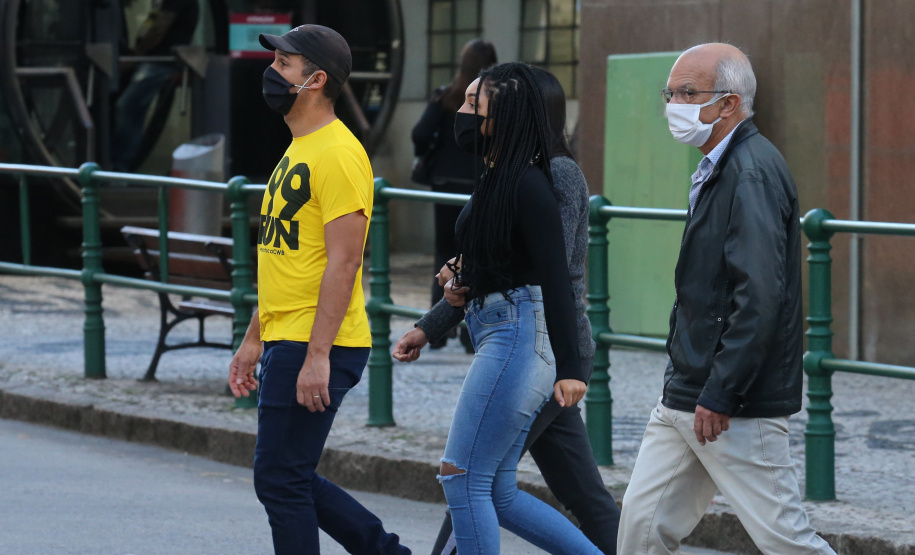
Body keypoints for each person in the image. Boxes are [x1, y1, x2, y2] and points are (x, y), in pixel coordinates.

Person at [617, 43, 836, 555]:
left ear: (730, 104)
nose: (674, 104)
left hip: (731, 401)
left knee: (787, 541)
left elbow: (759, 295)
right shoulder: (724, 164)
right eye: (670, 92)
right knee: (640, 528)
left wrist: (722, 391)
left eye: (688, 93)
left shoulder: (751, 170)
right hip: (688, 390)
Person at [394, 68, 619, 555]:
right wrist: (434, 321)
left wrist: (573, 364)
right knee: (513, 485)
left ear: (519, 109)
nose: (465, 111)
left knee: (472, 477)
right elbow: (497, 261)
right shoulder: (505, 171)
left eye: (478, 102)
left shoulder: (550, 173)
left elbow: (550, 274)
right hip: (523, 335)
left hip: (538, 340)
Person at [227, 24, 410, 555]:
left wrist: (317, 355)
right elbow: (287, 258)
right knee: (290, 477)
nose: (270, 72)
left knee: (281, 480)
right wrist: (254, 336)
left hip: (316, 341)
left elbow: (345, 260)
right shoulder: (299, 147)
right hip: (289, 336)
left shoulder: (338, 154)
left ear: (316, 80)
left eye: (284, 64)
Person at [410, 39, 497, 352]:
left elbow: (419, 133)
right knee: (478, 254)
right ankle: (471, 331)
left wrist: (428, 154)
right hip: (479, 182)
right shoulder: (494, 97)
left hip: (446, 182)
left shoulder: (446, 96)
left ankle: (439, 327)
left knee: (443, 251)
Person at [113, 0, 199, 171]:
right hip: (155, 61)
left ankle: (121, 164)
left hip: (159, 62)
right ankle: (124, 162)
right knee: (133, 111)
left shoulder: (173, 4)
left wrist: (136, 55)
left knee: (126, 106)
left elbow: (157, 29)